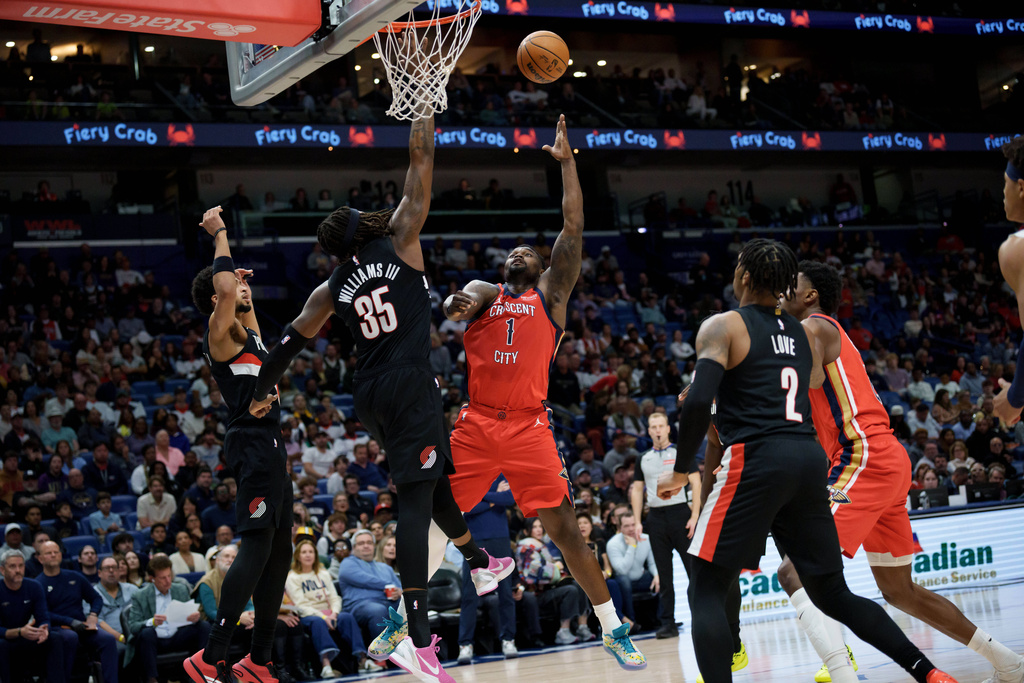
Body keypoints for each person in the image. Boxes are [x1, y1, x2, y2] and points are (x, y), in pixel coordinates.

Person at [247, 106, 510, 682]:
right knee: (415, 507)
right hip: (409, 384)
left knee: (434, 481)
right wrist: (424, 108)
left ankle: (480, 562)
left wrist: (264, 389)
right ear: (367, 226)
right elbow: (421, 161)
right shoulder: (402, 237)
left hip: (369, 393)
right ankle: (415, 639)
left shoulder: (331, 285)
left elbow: (288, 342)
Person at [655, 239, 956, 683]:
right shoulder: (799, 333)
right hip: (808, 459)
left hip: (757, 459)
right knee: (833, 592)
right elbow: (789, 386)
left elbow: (697, 402)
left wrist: (681, 470)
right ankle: (927, 673)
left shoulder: (722, 325)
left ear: (743, 277)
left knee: (705, 586)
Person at [440, 114, 644, 669]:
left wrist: (568, 165)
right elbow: (456, 302)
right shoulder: (486, 290)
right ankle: (404, 623)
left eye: (529, 252)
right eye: (513, 252)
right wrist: (454, 306)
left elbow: (573, 229)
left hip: (529, 426)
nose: (518, 254)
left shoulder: (551, 297)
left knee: (566, 530)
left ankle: (610, 626)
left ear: (545, 265)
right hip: (477, 422)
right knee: (434, 513)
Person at [775, 261, 1024, 683]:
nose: (782, 292)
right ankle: (1009, 663)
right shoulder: (821, 330)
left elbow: (811, 375)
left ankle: (840, 671)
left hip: (862, 456)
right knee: (899, 591)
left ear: (811, 295)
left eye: (791, 286)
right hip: (885, 458)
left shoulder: (813, 327)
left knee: (793, 570)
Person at [184, 206, 296, 683]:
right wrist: (221, 235)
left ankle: (261, 658)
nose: (243, 286)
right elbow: (227, 288)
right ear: (216, 299)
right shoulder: (220, 332)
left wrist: (266, 396)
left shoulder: (249, 333)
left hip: (269, 440)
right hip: (251, 444)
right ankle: (211, 656)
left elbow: (234, 293)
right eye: (234, 286)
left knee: (281, 551)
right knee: (255, 546)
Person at [630, 410, 700, 639]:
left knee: (694, 572)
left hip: (681, 514)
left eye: (661, 426)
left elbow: (696, 482)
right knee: (664, 574)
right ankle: (668, 623)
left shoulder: (681, 452)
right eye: (654, 427)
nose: (658, 430)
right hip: (657, 518)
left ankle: (701, 617)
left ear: (669, 428)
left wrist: (695, 514)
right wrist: (638, 521)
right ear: (649, 431)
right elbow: (637, 489)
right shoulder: (643, 458)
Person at [286, 538, 375, 677]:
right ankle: (326, 665)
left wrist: (334, 613)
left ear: (316, 555)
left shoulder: (323, 573)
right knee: (318, 622)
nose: (308, 555)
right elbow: (300, 605)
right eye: (304, 552)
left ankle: (363, 659)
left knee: (347, 617)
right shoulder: (292, 577)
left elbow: (335, 597)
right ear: (297, 556)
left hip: (329, 613)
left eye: (311, 552)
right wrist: (323, 616)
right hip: (310, 615)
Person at [35, 541, 119, 683]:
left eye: (56, 552)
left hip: (81, 625)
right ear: (40, 559)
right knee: (70, 637)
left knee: (108, 639)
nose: (53, 555)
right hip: (57, 628)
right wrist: (69, 622)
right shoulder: (38, 584)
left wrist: (93, 615)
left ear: (61, 555)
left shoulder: (75, 577)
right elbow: (43, 613)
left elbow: (96, 598)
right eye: (49, 553)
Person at [457, 476, 519, 663]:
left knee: (506, 593)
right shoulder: (466, 477)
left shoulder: (501, 474)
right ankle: (465, 644)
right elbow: (466, 510)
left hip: (500, 539)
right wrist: (494, 498)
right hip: (474, 541)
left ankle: (509, 639)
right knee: (469, 595)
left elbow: (510, 498)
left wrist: (481, 497)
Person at [126, 555, 210, 683]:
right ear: (152, 579)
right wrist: (151, 622)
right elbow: (133, 627)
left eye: (169, 576)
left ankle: (199, 671)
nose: (168, 581)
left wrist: (194, 617)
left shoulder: (180, 589)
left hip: (178, 636)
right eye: (162, 578)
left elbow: (190, 612)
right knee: (146, 632)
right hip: (155, 641)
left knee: (203, 626)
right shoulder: (140, 595)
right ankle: (152, 678)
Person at [0, 548, 74, 683]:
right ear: (2, 570)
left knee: (54, 638)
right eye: (12, 566)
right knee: (1, 645)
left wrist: (44, 629)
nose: (18, 570)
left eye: (21, 565)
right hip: (7, 637)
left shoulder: (34, 586)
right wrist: (19, 631)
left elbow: (43, 616)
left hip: (27, 634)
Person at [993, 138, 1024, 430]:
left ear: (1021, 187)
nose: (1003, 191)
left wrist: (1014, 397)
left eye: (1006, 182)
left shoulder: (1016, 248)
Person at [605, 511, 659, 629]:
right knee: (624, 580)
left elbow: (652, 563)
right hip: (622, 582)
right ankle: (631, 621)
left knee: (661, 577)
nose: (631, 529)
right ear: (619, 527)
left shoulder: (646, 538)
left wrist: (656, 575)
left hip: (641, 578)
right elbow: (622, 570)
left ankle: (663, 620)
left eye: (633, 524)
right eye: (626, 526)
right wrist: (632, 546)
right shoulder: (612, 544)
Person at [95, 555, 139, 651]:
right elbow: (97, 621)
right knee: (120, 649)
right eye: (107, 568)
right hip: (110, 637)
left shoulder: (132, 589)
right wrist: (120, 637)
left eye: (114, 568)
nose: (111, 571)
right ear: (99, 573)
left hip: (135, 633)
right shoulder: (92, 594)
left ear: (119, 571)